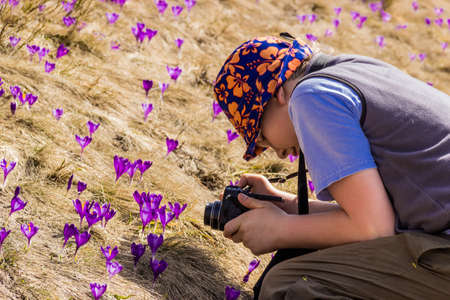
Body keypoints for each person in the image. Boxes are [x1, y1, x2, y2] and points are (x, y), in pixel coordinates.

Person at [213, 35, 450, 300]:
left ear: (277, 94)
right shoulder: (351, 68)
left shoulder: (310, 97)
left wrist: (280, 230)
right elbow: (381, 217)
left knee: (290, 285)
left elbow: (374, 229)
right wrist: (286, 205)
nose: (277, 153)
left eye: (262, 138)